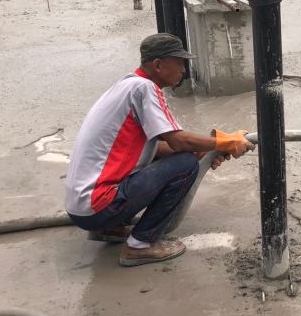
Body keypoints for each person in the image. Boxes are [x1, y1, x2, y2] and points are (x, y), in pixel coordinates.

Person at [65, 33, 255, 267]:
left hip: (81, 207)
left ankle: (111, 229)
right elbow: (178, 142)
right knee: (185, 164)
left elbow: (161, 148)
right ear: (158, 65)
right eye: (179, 64)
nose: (183, 71)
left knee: (185, 159)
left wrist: (208, 148)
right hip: (97, 205)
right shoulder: (144, 88)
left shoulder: (126, 86)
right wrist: (226, 142)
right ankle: (139, 246)